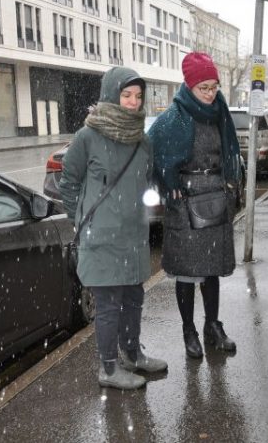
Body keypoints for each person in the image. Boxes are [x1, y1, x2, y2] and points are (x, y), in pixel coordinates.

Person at [60, 67, 167, 390]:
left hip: (134, 236)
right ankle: (108, 368)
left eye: (137, 96)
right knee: (108, 306)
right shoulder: (88, 137)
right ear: (111, 95)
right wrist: (83, 221)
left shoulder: (142, 139)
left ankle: (132, 354)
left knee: (134, 298)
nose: (133, 102)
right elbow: (68, 183)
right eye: (126, 95)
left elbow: (145, 181)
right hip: (102, 238)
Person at [148, 52, 241, 359]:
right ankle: (189, 331)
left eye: (214, 86)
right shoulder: (171, 119)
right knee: (188, 272)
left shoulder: (219, 112)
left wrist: (229, 181)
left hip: (215, 196)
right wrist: (168, 184)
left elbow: (230, 151)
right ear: (188, 86)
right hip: (184, 203)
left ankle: (212, 326)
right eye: (204, 87)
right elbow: (153, 155)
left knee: (211, 269)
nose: (211, 93)